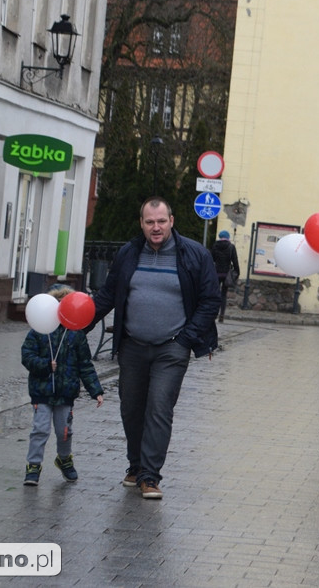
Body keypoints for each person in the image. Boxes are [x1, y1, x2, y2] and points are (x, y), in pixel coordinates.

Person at [91, 197, 222, 499]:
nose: (156, 227)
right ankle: (135, 466)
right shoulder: (129, 253)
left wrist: (187, 339)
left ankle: (150, 476)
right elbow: (108, 294)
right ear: (142, 224)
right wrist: (77, 325)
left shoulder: (194, 254)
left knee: (159, 408)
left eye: (161, 221)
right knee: (131, 408)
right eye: (150, 222)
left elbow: (210, 300)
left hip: (172, 347)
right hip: (132, 346)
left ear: (171, 221)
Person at [22, 284, 104, 486]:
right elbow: (27, 356)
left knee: (64, 430)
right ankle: (33, 465)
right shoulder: (39, 331)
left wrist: (96, 390)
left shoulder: (75, 334)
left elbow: (85, 364)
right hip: (42, 391)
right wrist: (44, 365)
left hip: (66, 392)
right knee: (40, 429)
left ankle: (64, 459)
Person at [210, 230, 240, 323]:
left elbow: (211, 259)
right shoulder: (231, 247)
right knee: (223, 295)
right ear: (227, 237)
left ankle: (214, 314)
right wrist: (237, 272)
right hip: (226, 274)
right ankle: (222, 315)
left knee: (215, 294)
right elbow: (235, 260)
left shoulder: (215, 246)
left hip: (216, 273)